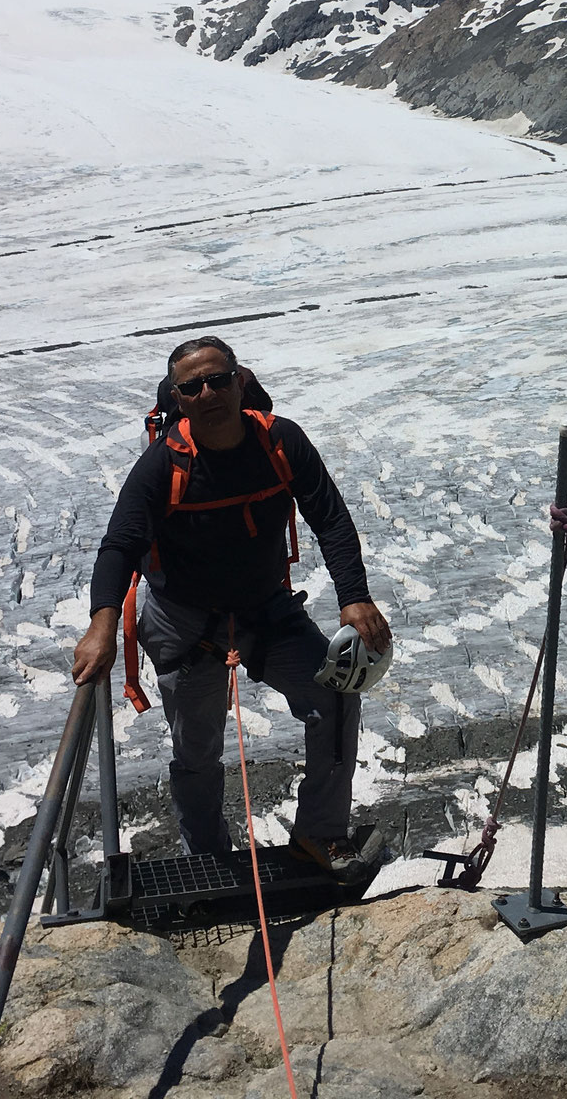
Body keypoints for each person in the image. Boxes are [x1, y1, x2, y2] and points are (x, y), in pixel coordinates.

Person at [71, 335, 393, 879]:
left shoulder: (281, 442)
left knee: (334, 701)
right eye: (193, 386)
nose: (208, 392)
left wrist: (354, 596)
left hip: (265, 611)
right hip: (185, 621)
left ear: (240, 380)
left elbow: (330, 517)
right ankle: (206, 859)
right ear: (179, 397)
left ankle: (321, 834)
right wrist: (102, 626)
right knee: (197, 751)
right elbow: (120, 544)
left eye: (218, 379)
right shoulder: (162, 466)